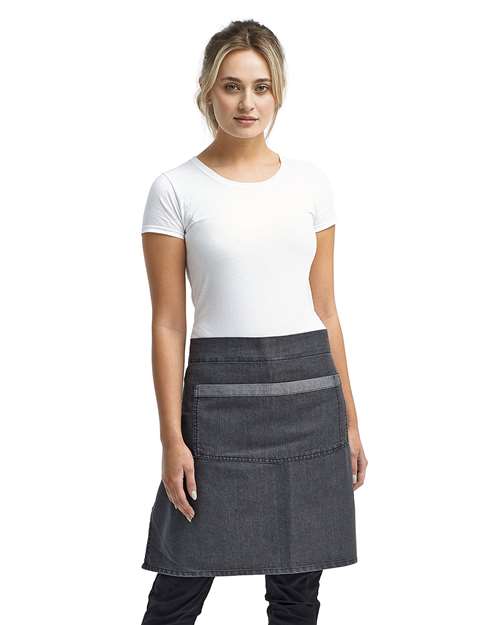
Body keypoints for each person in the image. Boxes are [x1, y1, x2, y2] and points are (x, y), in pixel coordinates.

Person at [139, 18, 368, 625]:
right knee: (180, 583)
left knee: (297, 593)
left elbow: (325, 308)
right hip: (217, 403)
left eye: (261, 87)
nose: (247, 103)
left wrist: (350, 419)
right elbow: (168, 323)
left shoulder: (310, 184)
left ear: (278, 92)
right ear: (208, 91)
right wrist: (171, 438)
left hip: (308, 399)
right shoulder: (175, 189)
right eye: (232, 86)